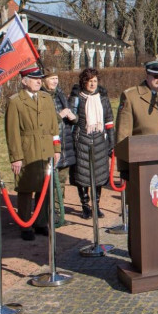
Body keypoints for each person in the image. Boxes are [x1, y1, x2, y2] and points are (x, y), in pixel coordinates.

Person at [5, 67, 60, 240]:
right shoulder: (15, 102)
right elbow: (12, 132)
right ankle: (25, 224)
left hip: (46, 148)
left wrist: (56, 148)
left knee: (45, 188)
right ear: (24, 81)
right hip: (27, 148)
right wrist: (16, 157)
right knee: (26, 188)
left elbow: (54, 126)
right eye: (34, 78)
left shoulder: (46, 98)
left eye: (39, 79)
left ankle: (41, 222)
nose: (38, 81)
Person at [68, 68, 115, 219]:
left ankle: (97, 205)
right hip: (81, 140)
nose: (93, 84)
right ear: (84, 82)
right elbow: (71, 119)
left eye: (95, 81)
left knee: (99, 175)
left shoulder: (103, 99)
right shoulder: (76, 98)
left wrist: (112, 143)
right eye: (90, 81)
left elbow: (109, 121)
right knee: (82, 175)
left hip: (100, 141)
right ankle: (85, 205)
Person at [44, 69, 77, 225]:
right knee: (50, 182)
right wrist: (60, 116)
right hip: (50, 145)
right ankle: (49, 214)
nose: (55, 81)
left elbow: (70, 116)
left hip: (65, 143)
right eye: (52, 78)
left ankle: (58, 212)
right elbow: (44, 122)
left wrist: (72, 117)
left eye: (56, 78)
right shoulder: (42, 97)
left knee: (61, 182)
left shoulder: (60, 94)